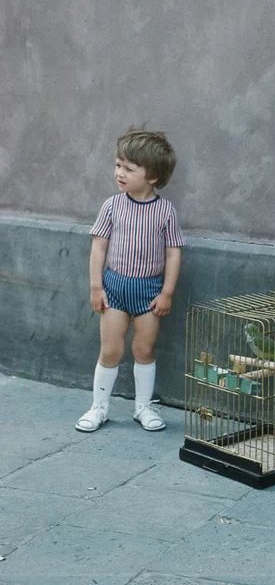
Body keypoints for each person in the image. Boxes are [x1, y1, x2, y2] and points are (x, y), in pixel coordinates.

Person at [75, 129, 186, 433]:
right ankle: (99, 408)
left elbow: (173, 254)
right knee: (110, 350)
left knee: (144, 349)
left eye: (129, 168)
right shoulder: (112, 206)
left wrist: (167, 292)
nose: (119, 173)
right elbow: (98, 247)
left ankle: (143, 407)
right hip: (114, 289)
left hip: (148, 292)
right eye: (117, 165)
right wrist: (96, 287)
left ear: (152, 177)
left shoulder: (165, 211)